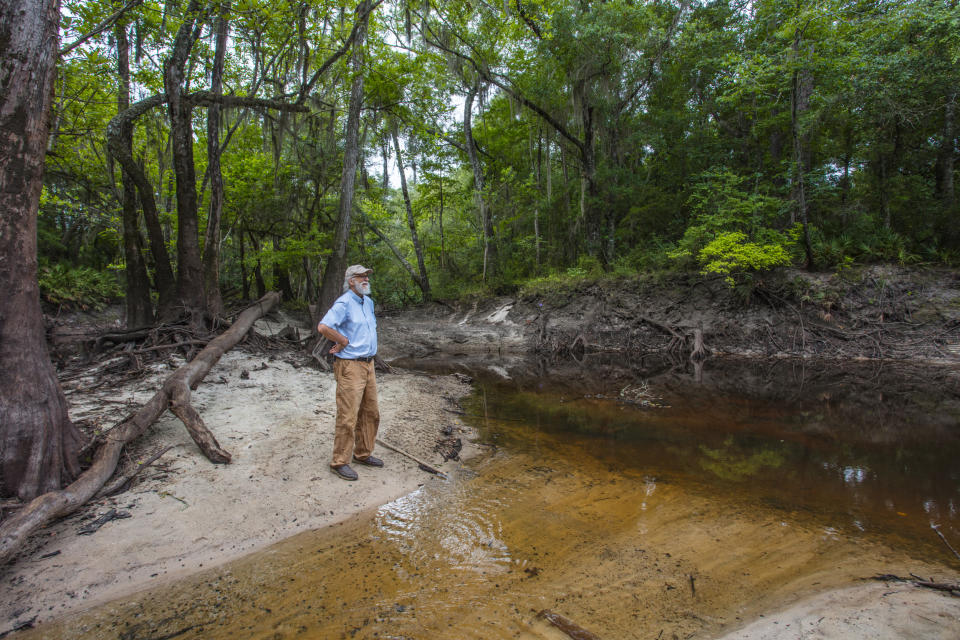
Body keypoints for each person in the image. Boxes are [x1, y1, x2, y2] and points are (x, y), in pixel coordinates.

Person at [316, 264, 382, 481]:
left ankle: (363, 454)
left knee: (371, 412)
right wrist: (342, 340)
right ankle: (340, 462)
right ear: (350, 281)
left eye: (367, 276)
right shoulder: (344, 302)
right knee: (348, 416)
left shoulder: (368, 302)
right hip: (350, 366)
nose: (366, 279)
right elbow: (324, 327)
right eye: (361, 276)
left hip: (368, 364)